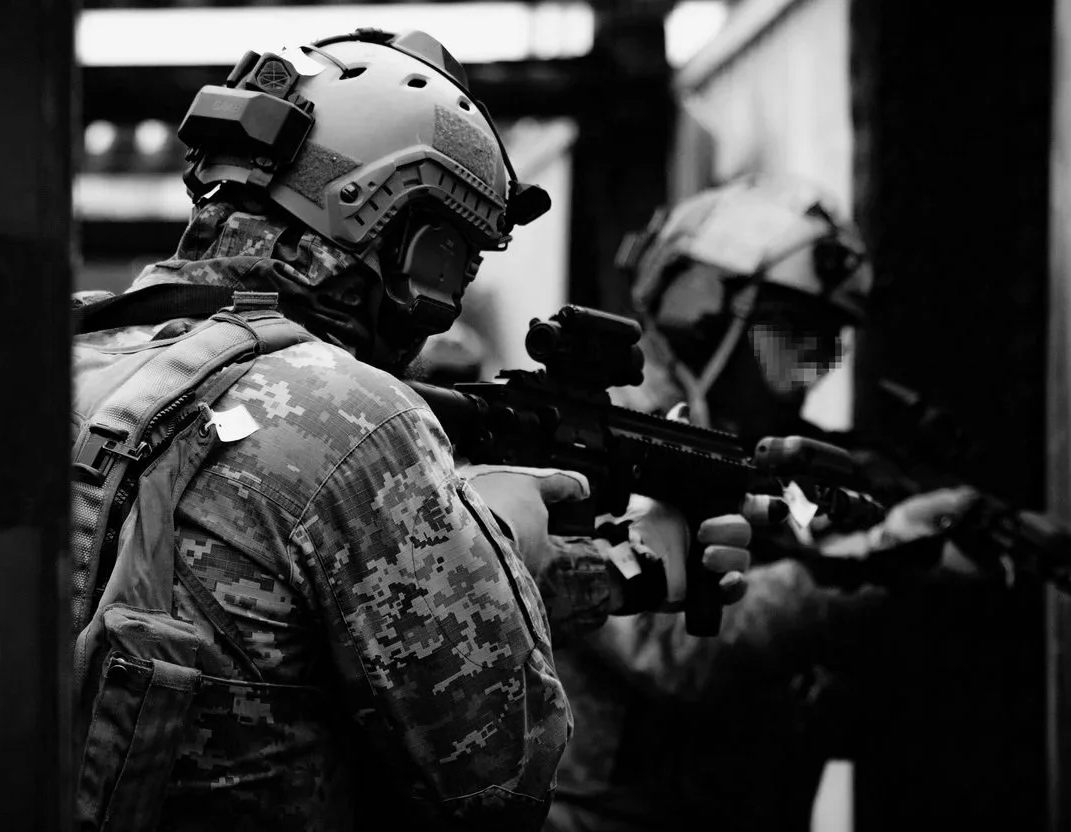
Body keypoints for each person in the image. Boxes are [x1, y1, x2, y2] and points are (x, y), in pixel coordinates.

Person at [69, 29, 745, 832]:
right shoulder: (358, 417)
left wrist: (625, 570)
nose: (440, 307)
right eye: (451, 264)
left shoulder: (63, 356)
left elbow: (324, 618)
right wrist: (492, 539)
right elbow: (501, 776)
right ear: (392, 227)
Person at [546, 177, 995, 832]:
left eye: (828, 345)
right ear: (701, 316)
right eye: (790, 337)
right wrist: (876, 561)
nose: (808, 374)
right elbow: (671, 655)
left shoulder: (770, 459)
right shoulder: (603, 442)